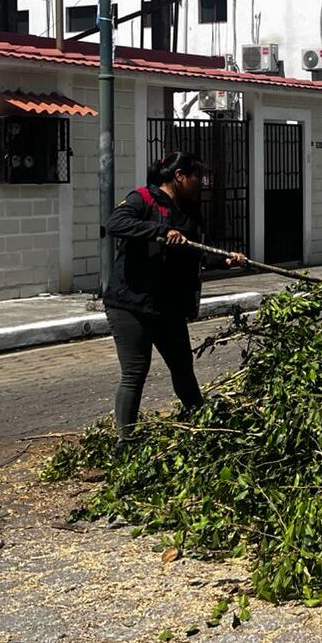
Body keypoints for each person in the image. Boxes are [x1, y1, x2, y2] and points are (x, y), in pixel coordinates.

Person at [104, 152, 247, 444]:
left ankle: (205, 427)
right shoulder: (142, 199)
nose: (202, 184)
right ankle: (126, 443)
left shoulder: (188, 212)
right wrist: (160, 231)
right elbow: (115, 224)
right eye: (198, 178)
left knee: (183, 368)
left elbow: (195, 253)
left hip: (167, 307)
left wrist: (224, 260)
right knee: (135, 372)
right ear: (179, 176)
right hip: (130, 303)